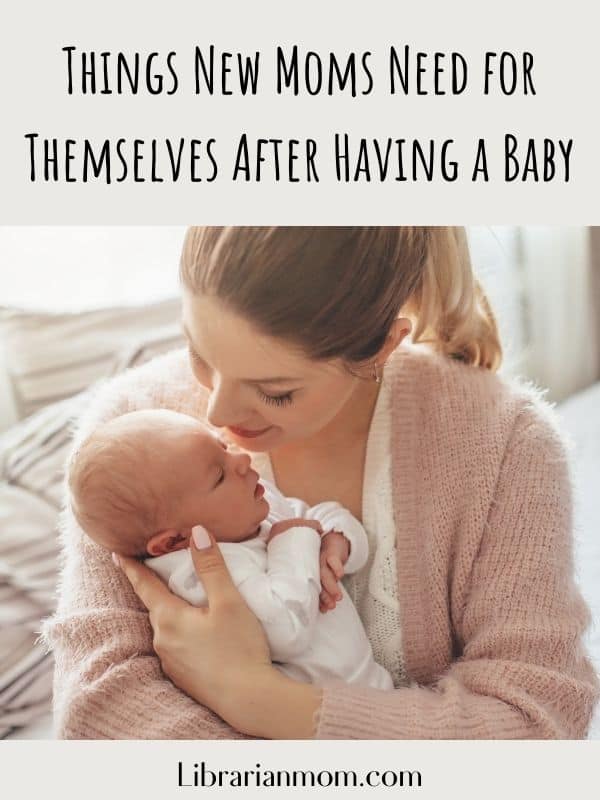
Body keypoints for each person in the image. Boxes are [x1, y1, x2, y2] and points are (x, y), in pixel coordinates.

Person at [44, 227, 599, 739]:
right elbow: (98, 710)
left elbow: (536, 718)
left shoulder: (506, 441)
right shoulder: (131, 434)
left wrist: (255, 699)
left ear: (383, 345)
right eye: (199, 353)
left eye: (275, 391)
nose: (217, 412)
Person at [67, 408, 393, 690]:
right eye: (219, 475)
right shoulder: (201, 576)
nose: (240, 459)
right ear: (173, 542)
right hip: (319, 722)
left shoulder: (254, 510)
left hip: (372, 687)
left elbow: (322, 514)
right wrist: (294, 539)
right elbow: (287, 632)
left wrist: (337, 541)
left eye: (223, 447)